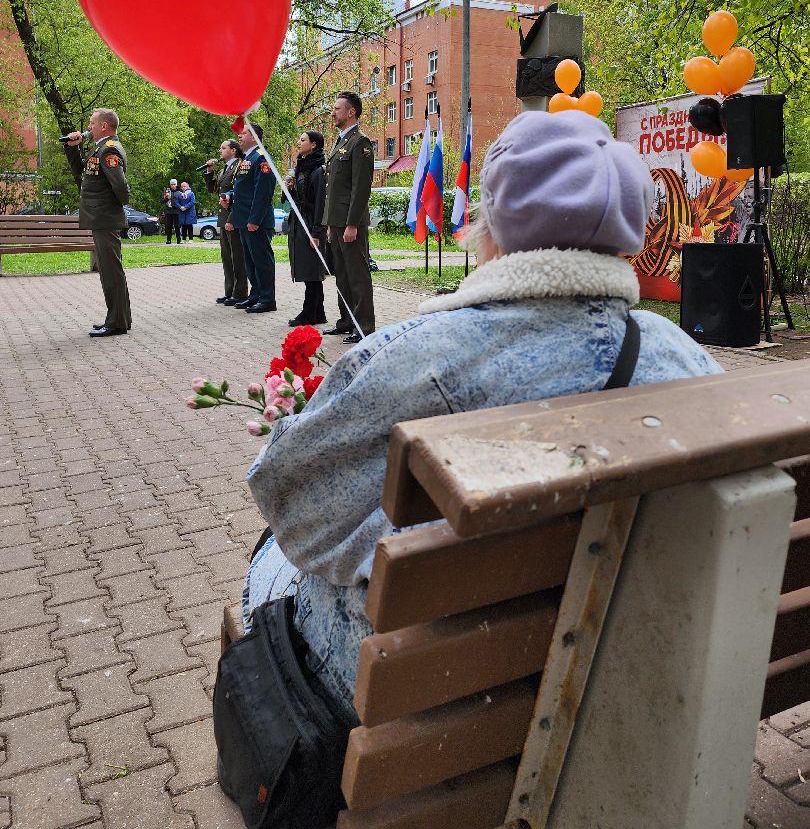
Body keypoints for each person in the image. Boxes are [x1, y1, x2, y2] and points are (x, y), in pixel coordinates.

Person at [242, 110, 724, 725]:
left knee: (272, 558)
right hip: (622, 659)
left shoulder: (416, 354)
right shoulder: (686, 357)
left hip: (448, 688)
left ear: (491, 228)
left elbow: (292, 505)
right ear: (628, 232)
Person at [65, 108, 132, 337]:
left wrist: (113, 207)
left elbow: (121, 187)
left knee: (111, 271)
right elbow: (81, 173)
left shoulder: (109, 149)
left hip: (105, 217)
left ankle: (116, 323)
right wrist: (72, 148)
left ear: (104, 126)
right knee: (110, 270)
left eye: (92, 123)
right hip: (101, 217)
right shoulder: (99, 148)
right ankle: (120, 319)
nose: (88, 127)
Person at [322, 91, 375, 344]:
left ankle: (364, 326)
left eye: (337, 108)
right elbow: (333, 188)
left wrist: (352, 223)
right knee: (342, 275)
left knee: (357, 275)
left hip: (350, 222)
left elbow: (360, 188)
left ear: (351, 112)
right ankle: (346, 320)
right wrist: (330, 223)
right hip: (337, 221)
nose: (333, 112)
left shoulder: (360, 142)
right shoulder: (340, 141)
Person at [225, 121, 276, 314]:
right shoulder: (247, 158)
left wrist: (254, 219)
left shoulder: (261, 157)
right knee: (250, 261)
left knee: (262, 261)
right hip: (244, 219)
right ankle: (256, 294)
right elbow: (244, 188)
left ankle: (267, 299)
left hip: (256, 221)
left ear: (254, 137)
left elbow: (263, 191)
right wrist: (229, 197)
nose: (239, 136)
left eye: (244, 133)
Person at [287, 130, 327, 326]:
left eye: (303, 140)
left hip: (310, 224)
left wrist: (317, 232)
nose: (298, 142)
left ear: (313, 145)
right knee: (309, 270)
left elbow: (320, 202)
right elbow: (300, 197)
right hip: (300, 222)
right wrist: (291, 188)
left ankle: (309, 313)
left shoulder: (318, 170)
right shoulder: (302, 167)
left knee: (312, 270)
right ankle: (318, 312)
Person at [203, 139, 249, 305]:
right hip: (224, 217)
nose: (220, 150)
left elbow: (239, 194)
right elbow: (213, 190)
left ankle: (240, 292)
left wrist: (232, 219)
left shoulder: (239, 166)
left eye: (223, 148)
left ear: (233, 150)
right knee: (227, 257)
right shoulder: (225, 168)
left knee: (237, 256)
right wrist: (209, 172)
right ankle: (229, 291)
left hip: (233, 217)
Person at [163, 179, 181, 244]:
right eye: (171, 184)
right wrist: (167, 198)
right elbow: (162, 201)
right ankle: (168, 240)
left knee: (177, 226)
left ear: (176, 185)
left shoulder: (179, 192)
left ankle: (179, 239)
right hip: (169, 211)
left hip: (177, 211)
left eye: (174, 184)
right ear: (170, 185)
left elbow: (181, 201)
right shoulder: (167, 192)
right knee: (169, 226)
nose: (173, 185)